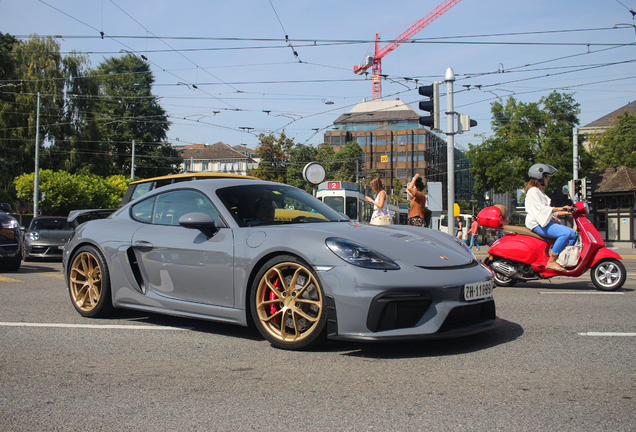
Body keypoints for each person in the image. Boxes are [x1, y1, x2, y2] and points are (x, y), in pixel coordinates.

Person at [525, 163, 577, 271]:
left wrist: (569, 212)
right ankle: (552, 261)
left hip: (544, 221)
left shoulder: (540, 192)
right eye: (546, 176)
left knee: (573, 234)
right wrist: (561, 208)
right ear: (539, 177)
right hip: (537, 223)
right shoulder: (533, 191)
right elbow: (542, 210)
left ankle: (562, 259)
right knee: (565, 233)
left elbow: (549, 212)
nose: (548, 179)